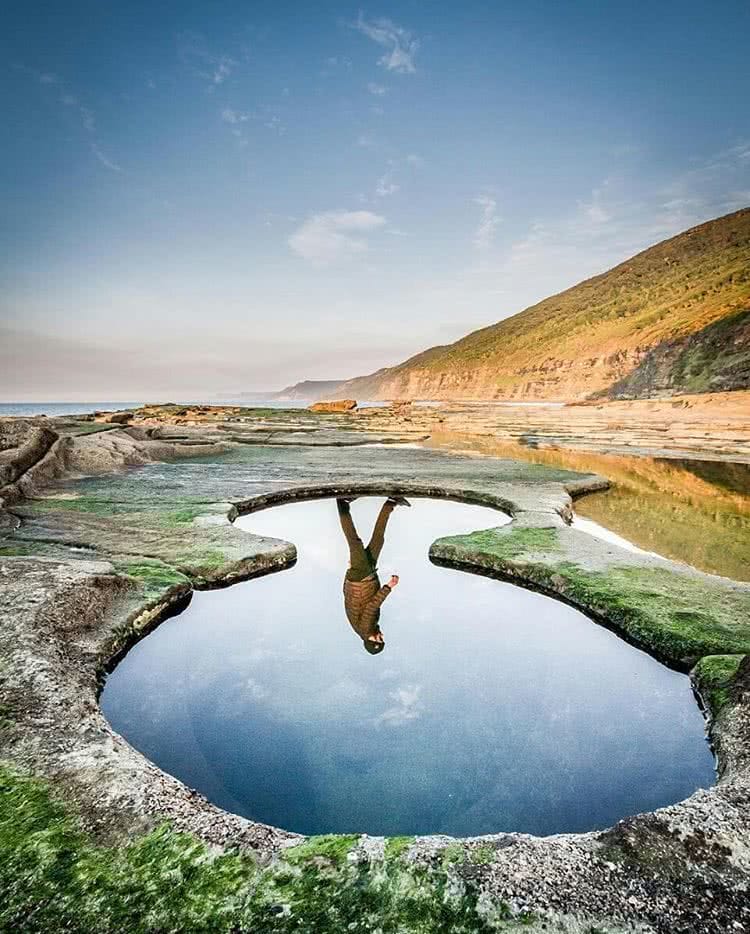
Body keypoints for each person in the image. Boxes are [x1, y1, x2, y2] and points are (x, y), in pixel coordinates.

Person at [336, 496, 410, 654]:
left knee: (354, 541)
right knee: (378, 541)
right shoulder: (362, 629)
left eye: (380, 639)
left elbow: (372, 606)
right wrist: (348, 573)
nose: (382, 636)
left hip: (361, 577)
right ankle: (390, 503)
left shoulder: (365, 628)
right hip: (362, 577)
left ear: (373, 642)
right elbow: (346, 596)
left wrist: (389, 587)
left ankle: (341, 503)